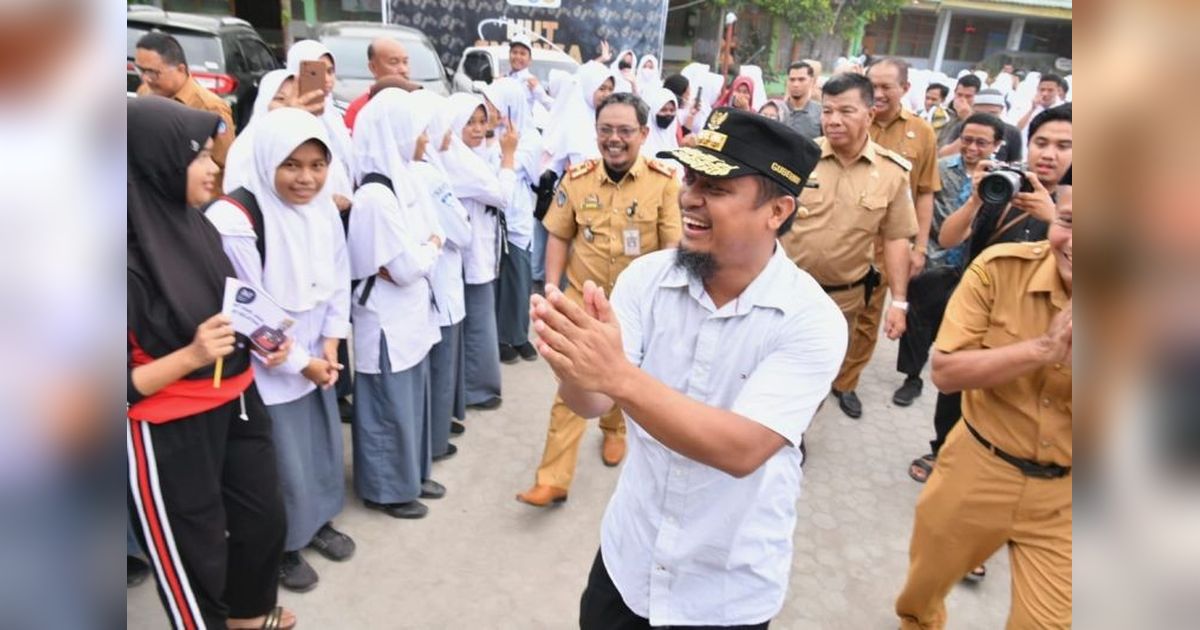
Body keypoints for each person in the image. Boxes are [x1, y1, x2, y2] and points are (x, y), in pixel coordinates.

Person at [528, 107, 844, 627]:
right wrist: (573, 364)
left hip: (722, 588)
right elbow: (593, 403)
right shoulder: (646, 280)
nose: (690, 197)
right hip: (629, 562)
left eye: (716, 187)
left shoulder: (810, 321)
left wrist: (616, 375)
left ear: (777, 210)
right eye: (691, 178)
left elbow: (741, 449)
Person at [128, 96, 294, 630]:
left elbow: (230, 306)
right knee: (191, 550)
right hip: (167, 425)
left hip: (237, 398)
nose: (213, 166)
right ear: (154, 164)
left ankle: (246, 617)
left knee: (260, 519)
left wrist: (265, 338)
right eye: (196, 156)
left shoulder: (196, 226)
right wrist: (192, 355)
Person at [895, 189, 1073, 630]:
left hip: (1069, 496)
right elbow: (948, 373)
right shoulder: (1001, 269)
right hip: (977, 467)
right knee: (922, 595)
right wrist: (1044, 349)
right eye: (1068, 222)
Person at [204, 108, 354, 593]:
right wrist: (301, 363)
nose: (306, 178)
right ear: (268, 160)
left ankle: (317, 522)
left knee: (318, 446)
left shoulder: (323, 209)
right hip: (267, 368)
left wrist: (330, 344)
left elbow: (337, 278)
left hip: (317, 357)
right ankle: (284, 546)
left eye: (317, 164)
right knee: (277, 461)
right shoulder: (236, 217)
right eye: (291, 165)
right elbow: (249, 311)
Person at [516, 92, 682, 507]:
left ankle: (615, 429)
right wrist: (552, 290)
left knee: (619, 381)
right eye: (606, 130)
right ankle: (553, 478)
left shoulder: (664, 183)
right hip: (580, 304)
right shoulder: (577, 178)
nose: (614, 138)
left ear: (643, 134)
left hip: (633, 309)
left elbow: (673, 250)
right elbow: (559, 234)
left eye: (625, 130)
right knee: (571, 386)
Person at [344, 88, 449, 520]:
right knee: (388, 405)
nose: (424, 140)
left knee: (411, 400)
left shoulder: (403, 179)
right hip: (386, 318)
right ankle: (386, 488)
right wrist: (427, 251)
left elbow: (431, 236)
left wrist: (424, 250)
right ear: (396, 133)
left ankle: (411, 473)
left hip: (410, 313)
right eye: (417, 132)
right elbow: (406, 266)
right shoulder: (374, 197)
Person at [779, 72, 916, 392]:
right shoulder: (799, 158)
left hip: (843, 298)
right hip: (786, 291)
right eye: (827, 111)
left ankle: (800, 430)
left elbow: (896, 238)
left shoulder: (892, 172)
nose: (833, 120)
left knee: (821, 376)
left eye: (845, 111)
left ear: (870, 115)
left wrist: (899, 302)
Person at [898, 114, 1006, 481]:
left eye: (982, 143)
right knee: (917, 326)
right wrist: (918, 249)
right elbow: (922, 207)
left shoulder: (1005, 183)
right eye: (968, 140)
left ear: (996, 146)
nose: (974, 149)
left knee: (956, 343)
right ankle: (911, 378)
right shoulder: (941, 168)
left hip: (974, 276)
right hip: (935, 260)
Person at [830, 59, 939, 419]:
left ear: (905, 89)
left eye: (886, 87)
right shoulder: (850, 119)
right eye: (871, 85)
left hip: (884, 248)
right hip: (840, 240)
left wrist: (919, 246)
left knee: (867, 321)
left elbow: (924, 193)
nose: (877, 94)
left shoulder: (921, 133)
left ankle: (846, 382)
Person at [411, 90, 475, 460]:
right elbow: (461, 233)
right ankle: (434, 441)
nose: (449, 135)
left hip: (435, 281)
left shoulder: (420, 169)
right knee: (439, 364)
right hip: (441, 283)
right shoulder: (429, 175)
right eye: (444, 128)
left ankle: (436, 430)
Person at [449, 93, 519, 411]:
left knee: (478, 319)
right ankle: (475, 389)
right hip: (469, 253)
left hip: (478, 250)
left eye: (481, 121)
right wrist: (509, 156)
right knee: (477, 322)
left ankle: (474, 387)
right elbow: (503, 195)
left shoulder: (467, 156)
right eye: (469, 123)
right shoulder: (457, 160)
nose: (478, 129)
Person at [481, 78, 544, 364]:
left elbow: (524, 170)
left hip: (516, 216)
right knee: (499, 278)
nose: (489, 110)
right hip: (494, 213)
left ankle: (518, 336)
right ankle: (501, 337)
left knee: (518, 277)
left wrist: (504, 152)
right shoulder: (486, 134)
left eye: (493, 104)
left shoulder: (529, 137)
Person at [134, 32, 236, 193]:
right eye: (141, 71)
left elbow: (224, 166)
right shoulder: (145, 93)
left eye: (153, 73)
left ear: (181, 69)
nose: (146, 79)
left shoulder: (210, 108)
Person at [342, 36, 412, 131]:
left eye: (405, 62)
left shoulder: (419, 103)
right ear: (373, 67)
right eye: (394, 62)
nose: (404, 70)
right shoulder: (359, 110)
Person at [937, 88, 1024, 162]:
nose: (986, 120)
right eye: (980, 113)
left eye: (992, 114)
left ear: (1001, 110)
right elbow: (943, 156)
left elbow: (1015, 164)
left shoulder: (1012, 132)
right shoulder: (961, 127)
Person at [936, 74, 981, 147]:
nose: (962, 100)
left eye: (968, 96)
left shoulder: (981, 117)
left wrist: (967, 119)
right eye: (959, 95)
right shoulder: (944, 112)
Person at [780, 61, 822, 140]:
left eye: (801, 79)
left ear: (811, 81)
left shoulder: (820, 113)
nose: (796, 84)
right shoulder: (777, 109)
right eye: (792, 80)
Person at [641, 87, 680, 158]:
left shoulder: (672, 143)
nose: (668, 114)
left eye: (672, 110)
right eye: (663, 110)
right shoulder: (642, 146)